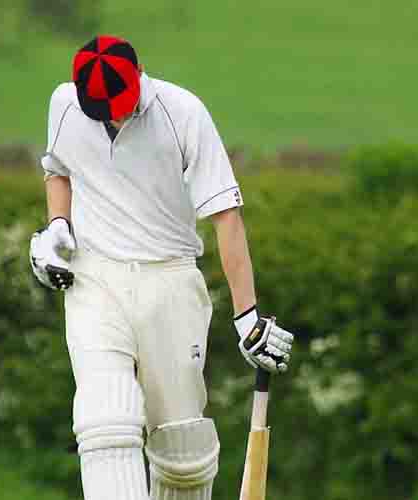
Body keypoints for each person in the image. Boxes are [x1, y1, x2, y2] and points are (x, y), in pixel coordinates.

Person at [28, 35, 295, 500]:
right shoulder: (65, 104)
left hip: (170, 279)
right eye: (103, 111)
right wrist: (56, 228)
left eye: (120, 106)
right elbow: (58, 169)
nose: (114, 117)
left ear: (139, 75)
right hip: (94, 278)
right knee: (105, 421)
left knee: (183, 455)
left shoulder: (183, 113)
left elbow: (226, 216)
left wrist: (247, 317)